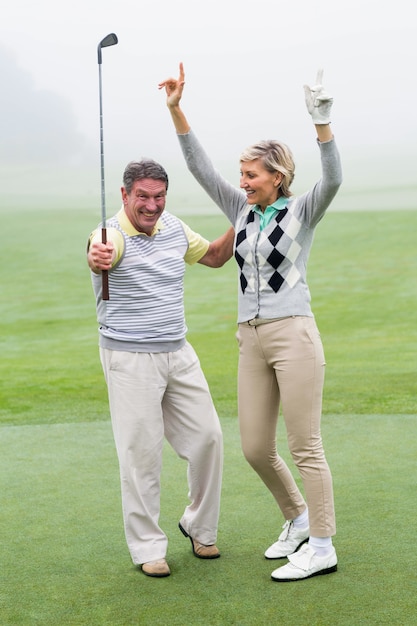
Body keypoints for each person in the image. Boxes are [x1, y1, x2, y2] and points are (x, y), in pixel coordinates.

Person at [158, 64, 343, 582]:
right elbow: (200, 170)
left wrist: (322, 123)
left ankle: (323, 544)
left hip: (294, 335)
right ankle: (298, 519)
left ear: (277, 178)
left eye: (252, 176)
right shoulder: (240, 210)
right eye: (241, 176)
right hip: (250, 339)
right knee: (256, 447)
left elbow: (334, 178)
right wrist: (176, 110)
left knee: (306, 447)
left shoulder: (302, 210)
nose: (243, 183)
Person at [87, 158, 235, 578]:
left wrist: (244, 216)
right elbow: (99, 255)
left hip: (178, 350)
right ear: (124, 195)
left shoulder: (173, 227)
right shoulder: (108, 236)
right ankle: (148, 546)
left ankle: (198, 525)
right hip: (129, 357)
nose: (151, 206)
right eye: (143, 197)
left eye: (158, 196)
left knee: (209, 438)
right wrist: (96, 258)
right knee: (142, 454)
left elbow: (216, 257)